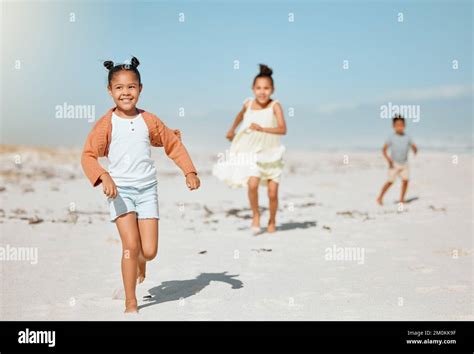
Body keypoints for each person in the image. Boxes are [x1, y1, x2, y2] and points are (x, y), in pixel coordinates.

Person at [81, 56, 200, 313]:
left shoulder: (149, 120)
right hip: (120, 192)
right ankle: (130, 301)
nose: (126, 92)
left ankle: (141, 262)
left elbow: (172, 143)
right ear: (110, 91)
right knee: (130, 247)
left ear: (140, 89)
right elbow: (88, 155)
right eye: (119, 88)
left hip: (147, 191)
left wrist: (189, 171)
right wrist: (104, 176)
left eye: (131, 87)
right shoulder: (106, 124)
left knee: (149, 250)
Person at [213, 64, 287, 234]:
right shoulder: (248, 103)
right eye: (259, 88)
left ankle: (272, 220)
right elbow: (240, 116)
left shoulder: (275, 106)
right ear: (253, 89)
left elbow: (283, 129)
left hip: (272, 155)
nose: (262, 92)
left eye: (266, 88)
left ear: (273, 89)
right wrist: (232, 129)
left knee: (272, 193)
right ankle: (255, 215)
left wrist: (262, 129)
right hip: (252, 154)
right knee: (252, 185)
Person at [377, 114, 417, 205]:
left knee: (406, 181)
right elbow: (384, 150)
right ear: (393, 126)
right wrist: (389, 160)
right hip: (394, 163)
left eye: (401, 125)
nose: (400, 127)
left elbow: (413, 145)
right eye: (397, 125)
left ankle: (402, 199)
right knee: (390, 181)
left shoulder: (407, 137)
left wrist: (415, 150)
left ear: (405, 125)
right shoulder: (391, 137)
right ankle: (380, 197)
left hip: (404, 163)